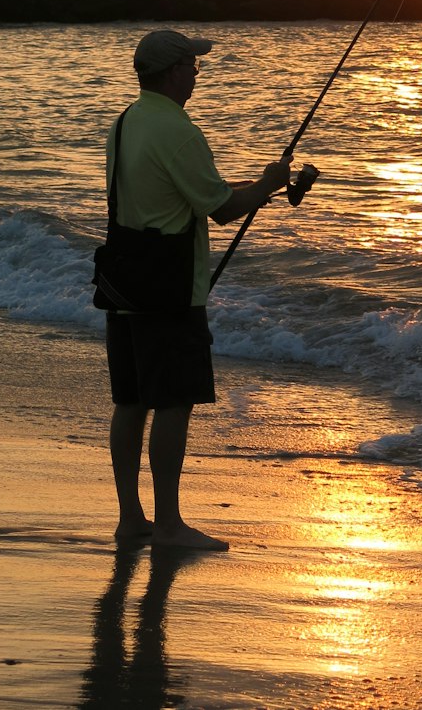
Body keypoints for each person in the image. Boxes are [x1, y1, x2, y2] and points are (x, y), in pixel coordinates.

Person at [104, 29, 294, 551]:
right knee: (173, 402)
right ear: (171, 72)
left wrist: (255, 186)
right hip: (167, 287)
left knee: (131, 400)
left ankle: (131, 519)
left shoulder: (125, 123)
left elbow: (166, 197)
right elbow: (223, 207)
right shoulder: (179, 132)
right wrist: (269, 182)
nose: (197, 72)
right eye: (192, 64)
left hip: (122, 279)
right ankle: (168, 526)